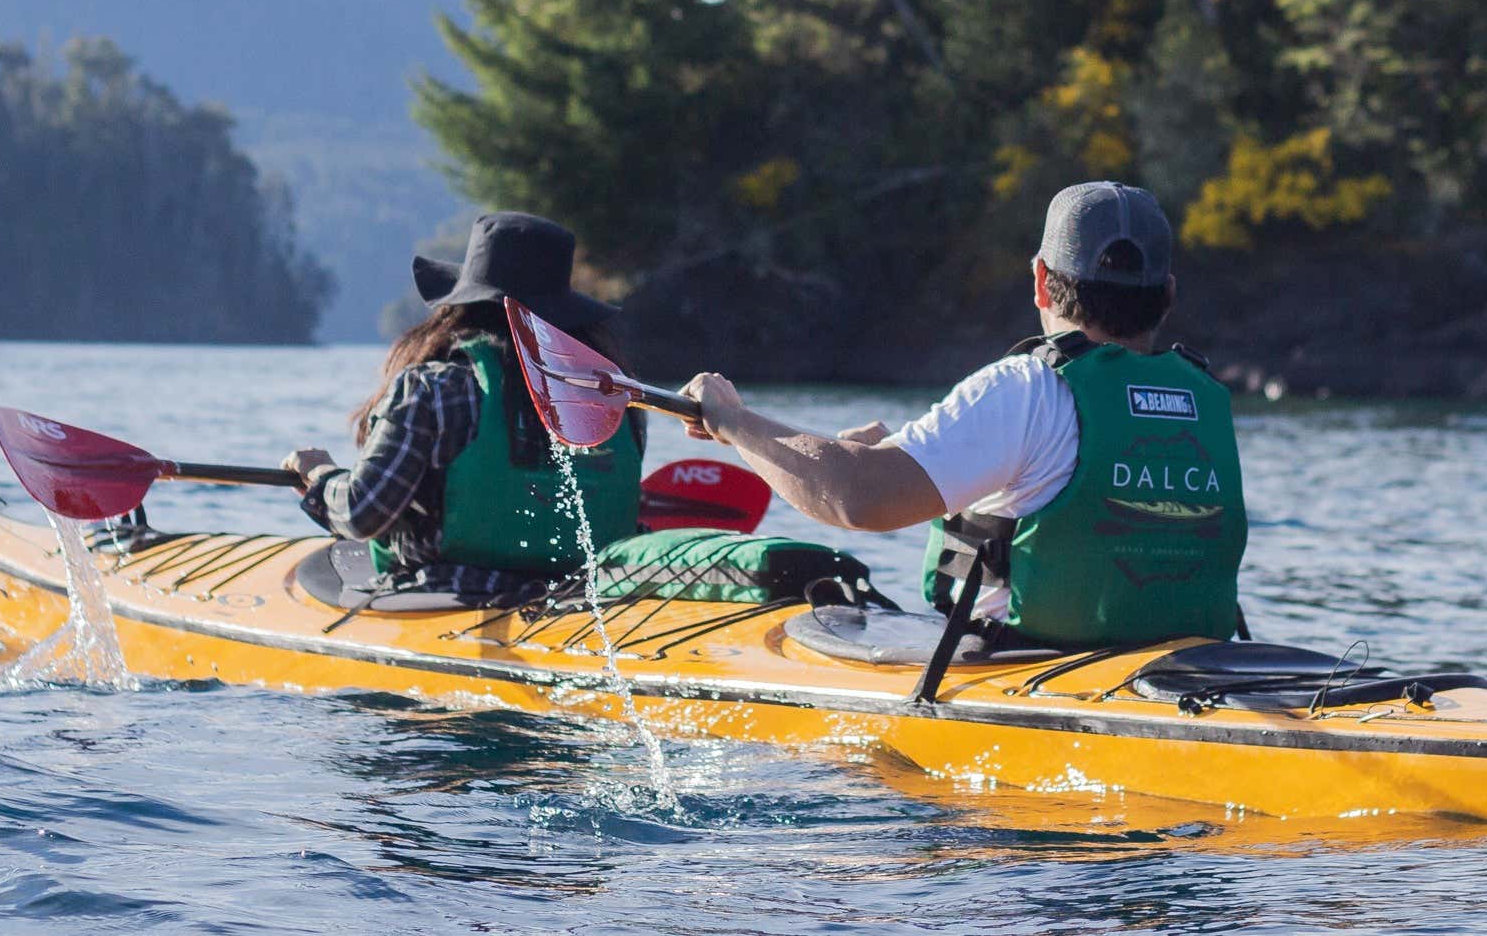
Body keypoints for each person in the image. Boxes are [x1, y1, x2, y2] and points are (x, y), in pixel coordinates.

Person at [675, 182, 1247, 648]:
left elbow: (858, 496)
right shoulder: (1203, 396)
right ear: (1168, 294)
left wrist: (731, 421)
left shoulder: (1027, 387)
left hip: (1035, 670)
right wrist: (901, 454)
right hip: (1187, 671)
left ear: (1042, 282)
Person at [282, 212, 643, 598]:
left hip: (450, 593)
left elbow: (362, 512)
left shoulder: (434, 388)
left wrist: (318, 476)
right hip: (582, 598)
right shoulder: (614, 396)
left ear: (461, 306)